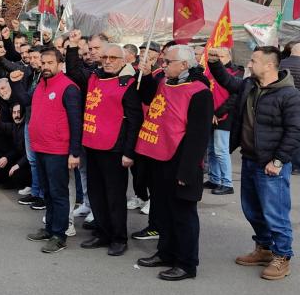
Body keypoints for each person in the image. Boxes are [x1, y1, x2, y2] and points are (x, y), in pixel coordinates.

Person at [208, 46, 300, 281]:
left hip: (271, 165)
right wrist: (214, 63)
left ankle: (282, 256)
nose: (250, 65)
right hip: (250, 160)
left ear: (270, 65)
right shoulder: (250, 85)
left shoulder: (290, 95)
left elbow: (297, 131)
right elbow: (227, 82)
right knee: (252, 210)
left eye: (254, 61)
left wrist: (278, 160)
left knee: (275, 213)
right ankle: (264, 248)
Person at [135, 45, 213, 281]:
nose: (164, 65)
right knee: (164, 211)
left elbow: (198, 136)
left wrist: (187, 170)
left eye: (168, 62)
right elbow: (147, 98)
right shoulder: (165, 83)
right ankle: (166, 252)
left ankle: (186, 263)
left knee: (183, 214)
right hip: (160, 156)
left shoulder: (200, 92)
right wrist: (147, 75)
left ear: (184, 65)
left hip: (181, 161)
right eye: (163, 62)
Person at [66, 42, 143, 256]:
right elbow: (72, 70)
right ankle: (102, 232)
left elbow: (134, 121)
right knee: (96, 193)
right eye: (105, 57)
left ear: (123, 60)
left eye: (113, 58)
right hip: (92, 145)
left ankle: (119, 237)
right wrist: (73, 46)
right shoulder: (94, 76)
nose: (108, 61)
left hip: (115, 149)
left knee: (115, 196)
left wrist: (129, 152)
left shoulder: (129, 84)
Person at [25, 49, 83, 254]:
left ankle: (60, 235)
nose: (46, 66)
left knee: (59, 193)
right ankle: (49, 228)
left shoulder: (69, 88)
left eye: (50, 62)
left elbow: (76, 123)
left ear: (60, 64)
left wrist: (74, 152)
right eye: (43, 62)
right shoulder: (41, 83)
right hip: (40, 147)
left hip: (58, 149)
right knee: (47, 192)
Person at [205, 47, 242, 195]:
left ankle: (227, 183)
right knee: (211, 150)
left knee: (221, 151)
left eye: (221, 56)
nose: (218, 58)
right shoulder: (210, 71)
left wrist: (218, 113)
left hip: (225, 116)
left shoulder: (237, 73)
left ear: (228, 57)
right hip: (211, 115)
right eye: (216, 56)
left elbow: (234, 98)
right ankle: (214, 179)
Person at [278, 42, 300, 175]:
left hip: (279, 102)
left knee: (280, 131)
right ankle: (297, 165)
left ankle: (279, 160)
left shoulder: (280, 64)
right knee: (297, 133)